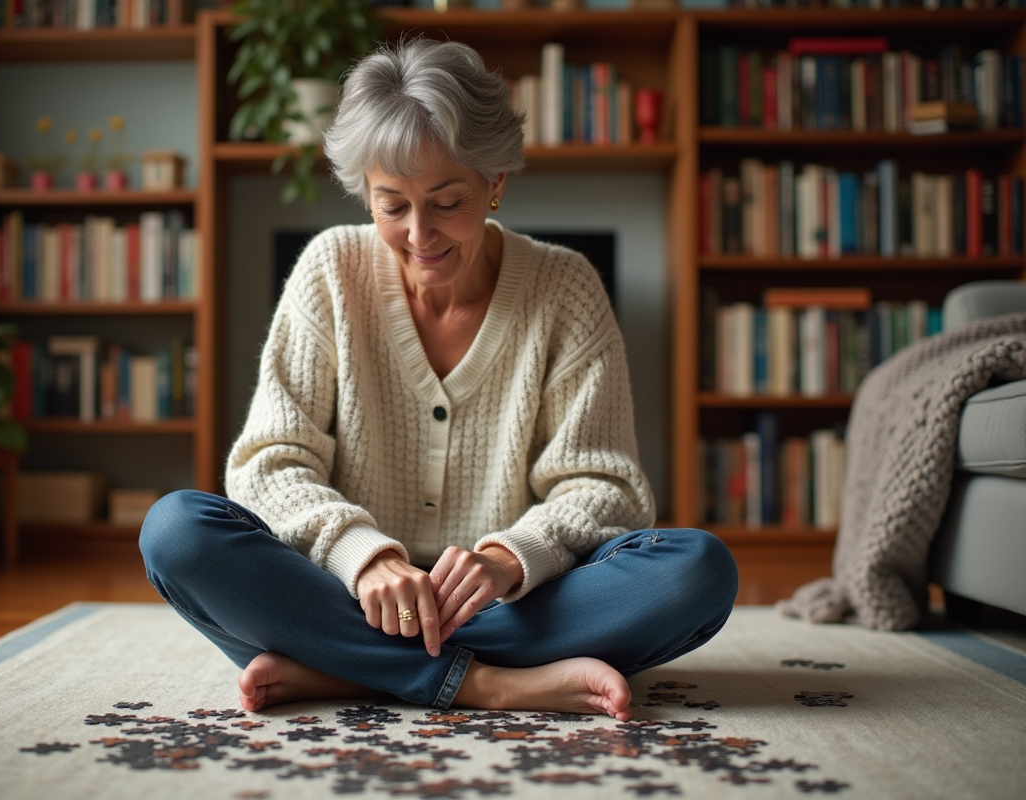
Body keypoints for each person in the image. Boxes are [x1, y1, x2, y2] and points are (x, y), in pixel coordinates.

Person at [140, 37, 737, 720]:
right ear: (365, 193)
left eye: (447, 202)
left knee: (698, 570)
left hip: (509, 602)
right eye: (392, 206)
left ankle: (344, 666)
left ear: (495, 183)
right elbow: (269, 464)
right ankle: (493, 684)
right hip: (346, 590)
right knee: (176, 532)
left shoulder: (564, 288)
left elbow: (605, 486)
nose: (420, 235)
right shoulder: (330, 270)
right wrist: (363, 556)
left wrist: (510, 558)